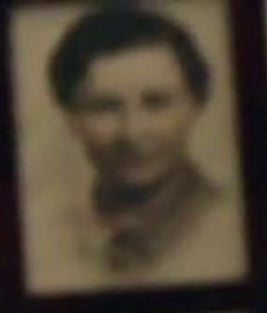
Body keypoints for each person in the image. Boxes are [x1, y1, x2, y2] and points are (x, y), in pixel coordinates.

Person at [26, 1, 241, 293]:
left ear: (196, 105)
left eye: (156, 103)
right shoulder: (44, 241)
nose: (132, 132)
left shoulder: (228, 226)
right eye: (104, 107)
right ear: (71, 117)